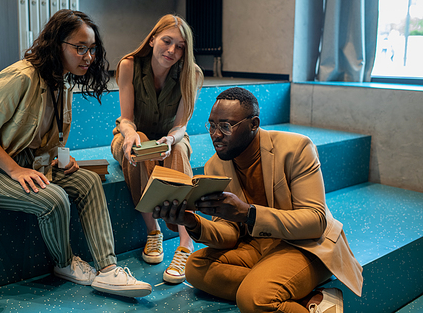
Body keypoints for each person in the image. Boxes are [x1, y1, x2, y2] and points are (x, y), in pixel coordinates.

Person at [0, 9, 151, 298]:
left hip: (35, 165)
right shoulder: (20, 76)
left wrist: (62, 159)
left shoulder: (62, 81)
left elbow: (47, 135)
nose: (89, 57)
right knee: (53, 198)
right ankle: (64, 263)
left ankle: (108, 270)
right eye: (80, 48)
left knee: (89, 181)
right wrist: (15, 170)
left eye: (91, 49)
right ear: (57, 45)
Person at [152, 87, 363, 312]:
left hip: (306, 245)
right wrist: (192, 223)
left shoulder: (297, 148)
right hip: (257, 245)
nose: (216, 134)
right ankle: (306, 297)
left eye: (226, 126)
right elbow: (230, 233)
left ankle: (266, 288)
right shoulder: (214, 165)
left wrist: (248, 213)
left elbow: (316, 221)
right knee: (195, 267)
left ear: (254, 124)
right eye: (212, 125)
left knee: (253, 299)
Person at [111, 14, 204, 284]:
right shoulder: (128, 65)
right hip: (129, 135)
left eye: (181, 46)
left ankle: (186, 243)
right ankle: (154, 232)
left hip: (169, 138)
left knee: (177, 150)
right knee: (138, 144)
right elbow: (126, 119)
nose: (172, 50)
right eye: (167, 41)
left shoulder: (192, 73)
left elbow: (180, 126)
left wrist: (171, 140)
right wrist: (129, 134)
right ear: (152, 39)